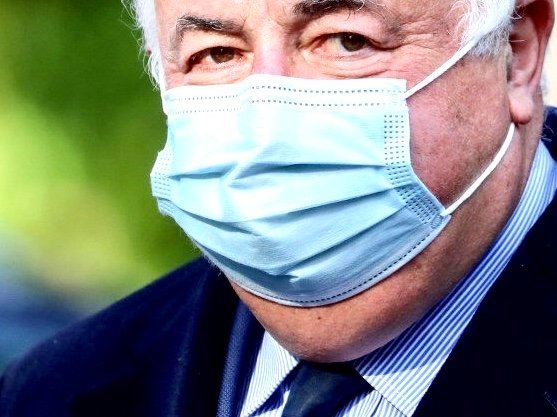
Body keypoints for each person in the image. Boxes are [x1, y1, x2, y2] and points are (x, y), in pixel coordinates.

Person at [1, 0, 556, 416]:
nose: (266, 130)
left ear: (516, 53)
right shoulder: (56, 391)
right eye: (216, 54)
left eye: (347, 42)